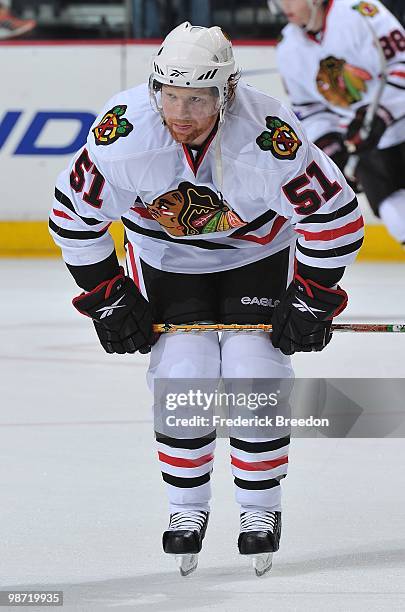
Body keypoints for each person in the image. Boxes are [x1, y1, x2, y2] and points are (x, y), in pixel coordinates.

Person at [49, 22, 363, 576]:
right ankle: (185, 509)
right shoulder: (123, 136)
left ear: (228, 92)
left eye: (197, 98)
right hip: (166, 257)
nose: (181, 113)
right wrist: (105, 294)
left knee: (254, 372)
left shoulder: (269, 135)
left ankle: (260, 511)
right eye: (170, 95)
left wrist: (314, 296)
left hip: (258, 253)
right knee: (183, 373)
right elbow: (74, 217)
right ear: (154, 90)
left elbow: (334, 216)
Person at [272, 0, 405, 246]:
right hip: (365, 143)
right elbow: (309, 109)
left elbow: (401, 62)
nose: (284, 6)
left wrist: (382, 113)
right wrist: (332, 146)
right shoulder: (288, 46)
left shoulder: (359, 11)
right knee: (396, 214)